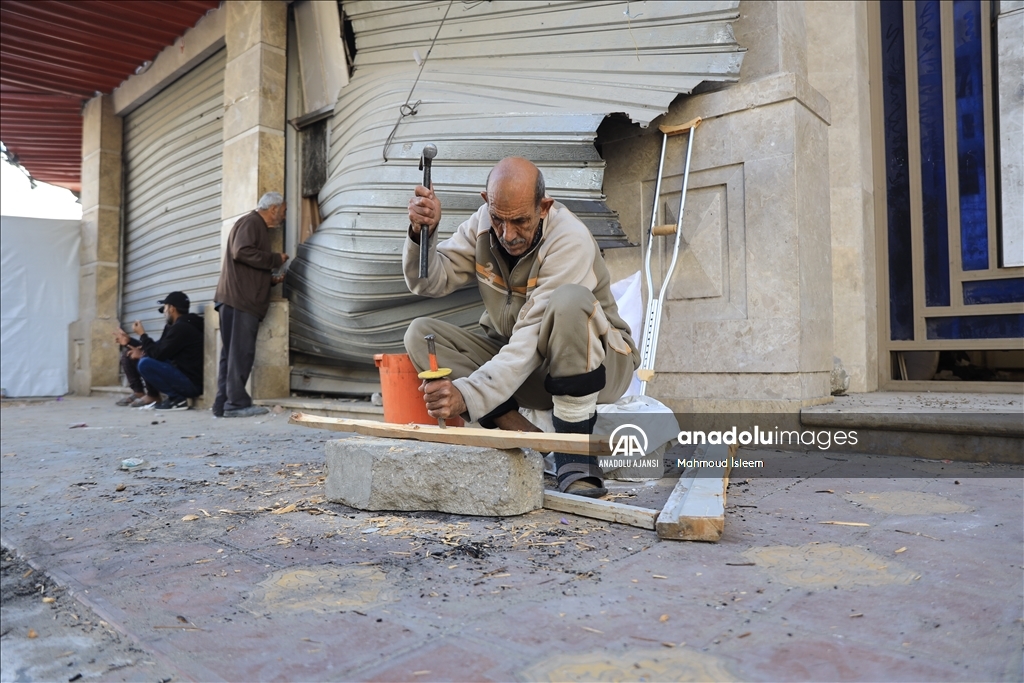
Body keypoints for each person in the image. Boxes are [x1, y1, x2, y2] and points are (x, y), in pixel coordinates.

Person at [404, 157, 640, 498]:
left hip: (599, 364)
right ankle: (530, 440)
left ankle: (575, 458)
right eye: (499, 220)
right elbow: (427, 283)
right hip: (532, 369)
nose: (508, 234)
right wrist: (421, 234)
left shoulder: (569, 238)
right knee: (420, 334)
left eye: (520, 221)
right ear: (487, 202)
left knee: (570, 301)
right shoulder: (483, 225)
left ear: (543, 207)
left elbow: (529, 339)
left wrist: (466, 395)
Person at [213, 192, 289, 418]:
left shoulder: (252, 224)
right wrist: (275, 259)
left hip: (234, 299)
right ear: (273, 209)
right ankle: (236, 403)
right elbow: (241, 252)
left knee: (232, 354)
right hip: (240, 301)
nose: (284, 217)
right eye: (283, 211)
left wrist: (269, 279)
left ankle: (223, 404)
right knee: (241, 353)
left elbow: (245, 266)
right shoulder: (251, 222)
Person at [125, 291, 204, 411]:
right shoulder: (177, 326)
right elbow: (159, 347)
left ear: (172, 308)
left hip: (190, 384)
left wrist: (142, 335)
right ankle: (168, 398)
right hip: (183, 378)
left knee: (145, 363)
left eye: (165, 308)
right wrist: (133, 343)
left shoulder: (182, 328)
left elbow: (158, 354)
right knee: (143, 358)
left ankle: (177, 399)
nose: (164, 312)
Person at [112, 329, 159, 407]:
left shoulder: (180, 327)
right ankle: (138, 392)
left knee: (145, 359)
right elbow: (157, 346)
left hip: (179, 372)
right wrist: (129, 341)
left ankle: (153, 395)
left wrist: (142, 335)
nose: (164, 315)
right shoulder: (171, 327)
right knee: (128, 354)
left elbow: (161, 351)